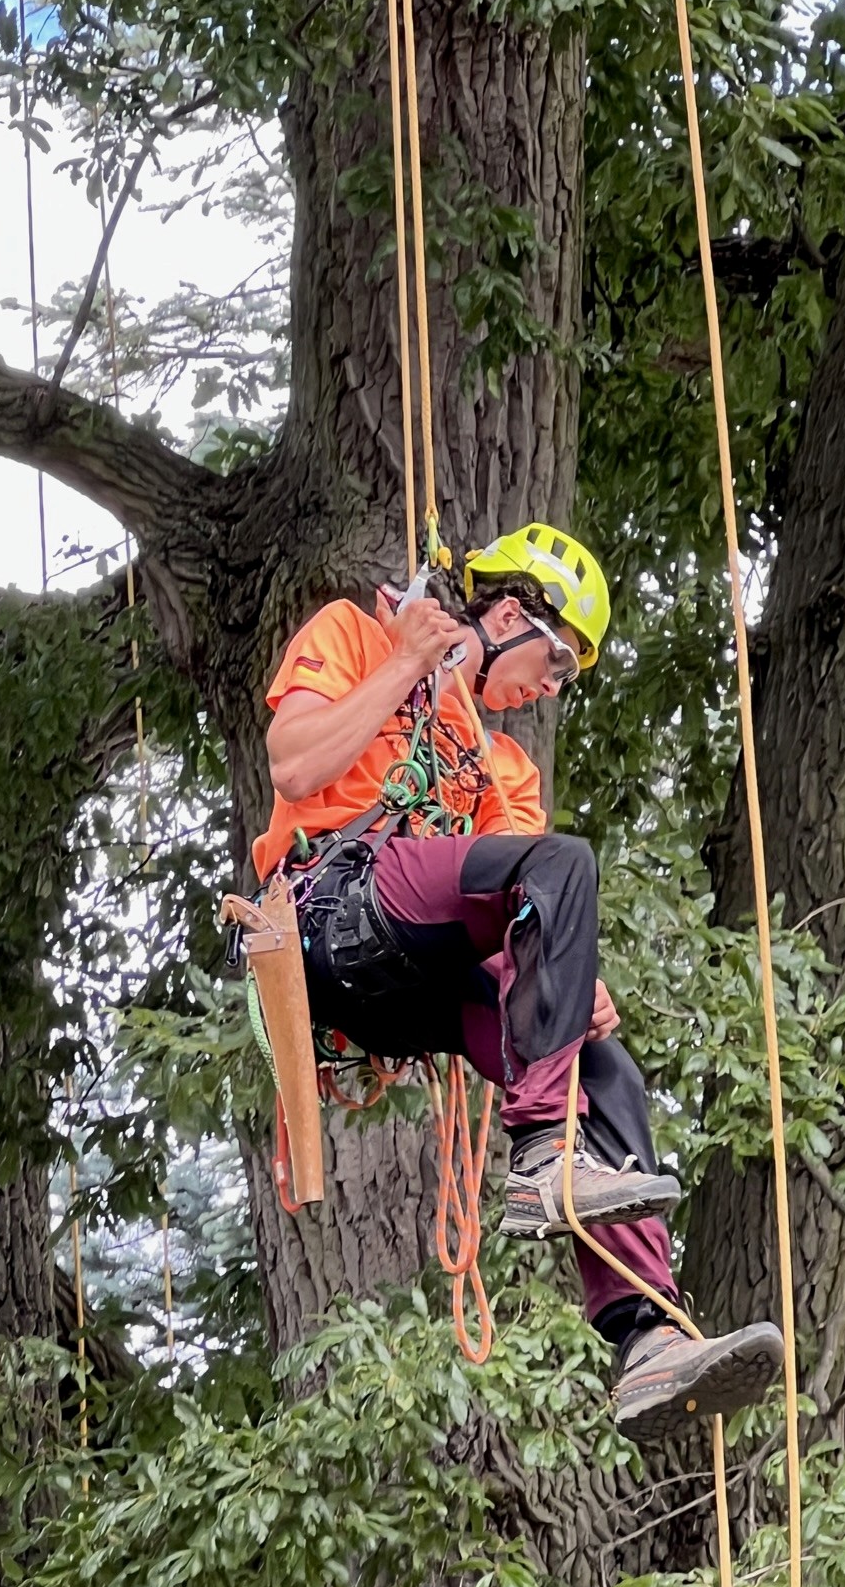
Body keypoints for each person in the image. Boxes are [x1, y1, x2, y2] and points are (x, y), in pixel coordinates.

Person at [252, 522, 784, 1441]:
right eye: (556, 661)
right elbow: (295, 762)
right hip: (333, 912)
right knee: (562, 865)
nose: (550, 687)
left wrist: (569, 994)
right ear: (506, 613)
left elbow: (520, 914)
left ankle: (644, 1337)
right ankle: (543, 1153)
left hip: (417, 979)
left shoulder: (504, 769)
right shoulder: (358, 635)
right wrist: (404, 667)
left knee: (605, 1066)